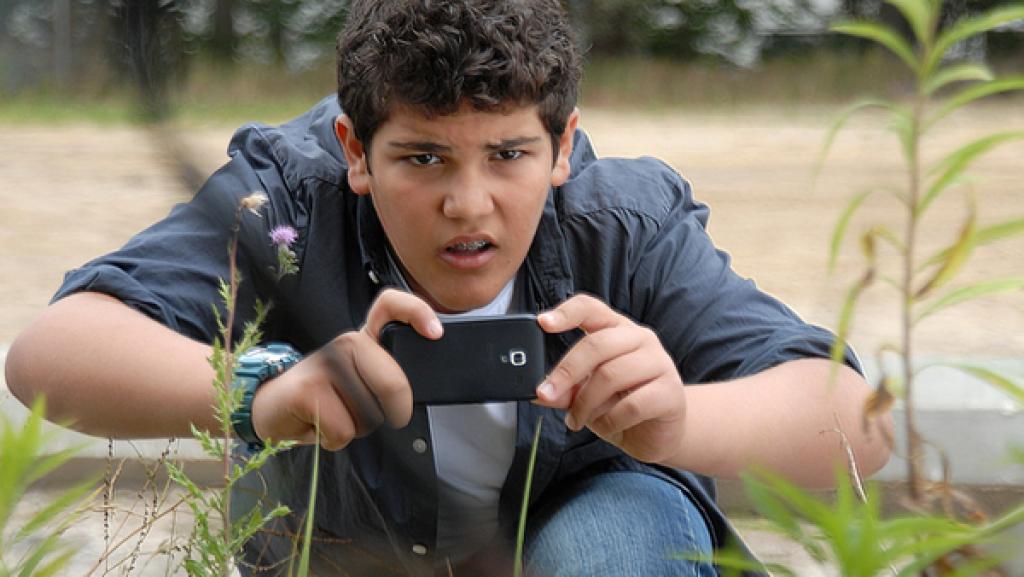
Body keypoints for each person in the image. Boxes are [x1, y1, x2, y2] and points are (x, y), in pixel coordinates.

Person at [5, 1, 893, 575]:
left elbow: (858, 420)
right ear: (355, 151)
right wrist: (265, 390)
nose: (469, 204)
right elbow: (52, 353)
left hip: (597, 529)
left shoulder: (621, 223)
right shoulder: (286, 203)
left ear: (564, 146)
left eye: (508, 154)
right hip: (345, 547)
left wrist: (680, 421)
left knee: (616, 540)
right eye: (423, 158)